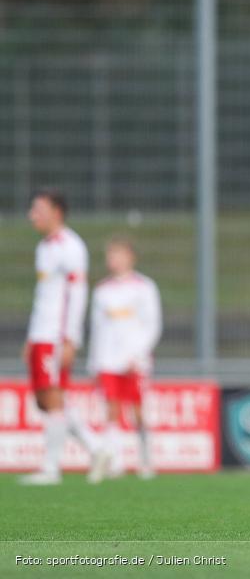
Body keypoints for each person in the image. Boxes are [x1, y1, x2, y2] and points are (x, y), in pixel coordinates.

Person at [20, 189, 110, 485]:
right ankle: (97, 447)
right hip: (40, 334)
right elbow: (43, 296)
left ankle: (51, 468)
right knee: (44, 400)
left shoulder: (71, 246)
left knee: (53, 397)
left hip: (56, 336)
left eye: (38, 210)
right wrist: (31, 337)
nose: (32, 215)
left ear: (56, 212)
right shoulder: (44, 247)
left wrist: (70, 337)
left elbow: (77, 293)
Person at [88, 237, 162, 480]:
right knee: (111, 409)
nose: (114, 260)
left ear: (131, 257)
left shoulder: (144, 287)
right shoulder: (102, 290)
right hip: (107, 359)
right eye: (111, 255)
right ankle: (115, 462)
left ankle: (146, 460)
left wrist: (137, 354)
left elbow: (153, 325)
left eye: (119, 254)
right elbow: (97, 328)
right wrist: (94, 362)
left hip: (134, 361)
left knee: (137, 410)